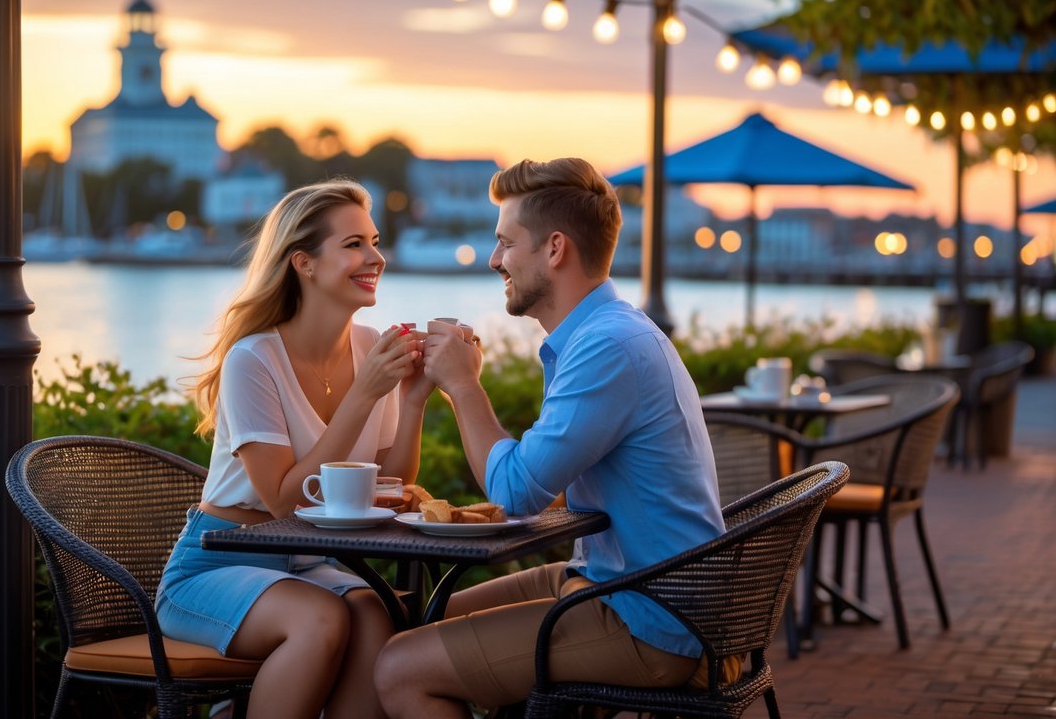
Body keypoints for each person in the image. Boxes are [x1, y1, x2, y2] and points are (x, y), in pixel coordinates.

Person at [373, 157, 730, 718]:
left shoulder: (606, 347)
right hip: (617, 581)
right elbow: (550, 485)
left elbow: (516, 492)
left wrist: (464, 386)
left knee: (399, 669)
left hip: (651, 616)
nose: (494, 260)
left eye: (505, 243)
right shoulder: (601, 334)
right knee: (413, 624)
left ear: (556, 249)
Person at [156, 179, 433, 719]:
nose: (375, 256)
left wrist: (413, 398)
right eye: (353, 244)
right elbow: (285, 503)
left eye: (373, 241)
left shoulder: (371, 349)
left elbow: (389, 484)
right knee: (321, 619)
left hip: (310, 562)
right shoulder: (253, 360)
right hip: (217, 563)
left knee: (376, 616)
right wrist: (366, 392)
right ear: (303, 263)